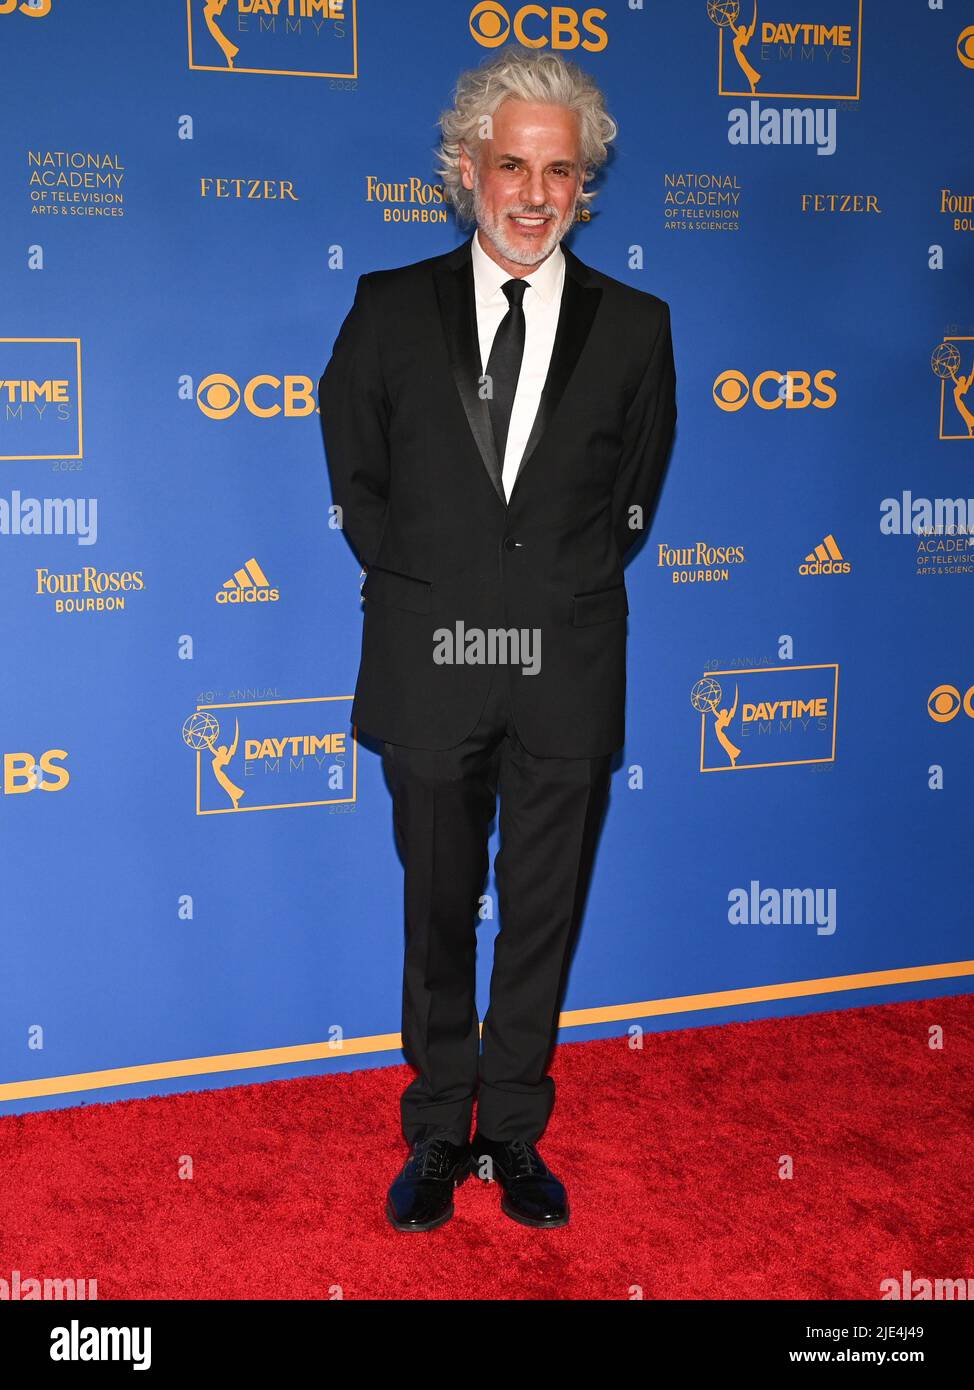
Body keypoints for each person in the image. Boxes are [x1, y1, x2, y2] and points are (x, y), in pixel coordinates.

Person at [318, 45, 677, 1232]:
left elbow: (631, 499)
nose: (533, 194)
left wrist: (543, 606)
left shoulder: (635, 327)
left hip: (566, 669)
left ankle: (511, 1134)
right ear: (466, 168)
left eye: (559, 172)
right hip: (430, 662)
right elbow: (359, 485)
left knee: (542, 911)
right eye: (511, 164)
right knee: (435, 907)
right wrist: (442, 592)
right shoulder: (385, 306)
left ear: (584, 185)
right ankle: (435, 1133)